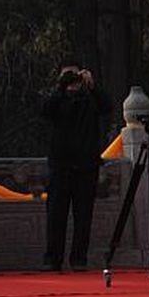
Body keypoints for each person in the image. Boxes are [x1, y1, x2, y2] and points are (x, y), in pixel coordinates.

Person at [40, 63, 109, 271]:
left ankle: (79, 258)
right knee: (55, 215)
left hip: (86, 167)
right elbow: (45, 111)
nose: (72, 82)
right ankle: (53, 259)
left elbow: (107, 106)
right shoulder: (58, 101)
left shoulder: (90, 100)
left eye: (74, 77)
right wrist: (61, 88)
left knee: (83, 216)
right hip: (60, 166)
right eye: (66, 77)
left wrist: (92, 86)